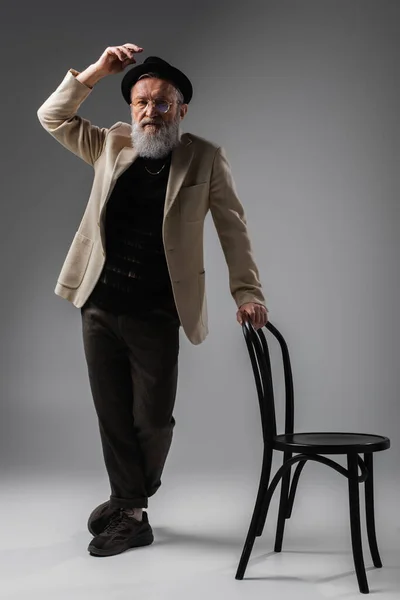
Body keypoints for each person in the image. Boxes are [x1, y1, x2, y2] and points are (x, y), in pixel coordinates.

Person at [37, 42, 269, 557]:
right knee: (111, 410)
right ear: (130, 109)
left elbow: (234, 230)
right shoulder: (111, 144)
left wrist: (247, 290)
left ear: (181, 109)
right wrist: (97, 70)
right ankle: (133, 511)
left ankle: (128, 498)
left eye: (161, 102)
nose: (150, 111)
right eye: (141, 102)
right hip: (98, 302)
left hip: (158, 310)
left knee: (153, 418)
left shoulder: (204, 158)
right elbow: (51, 116)